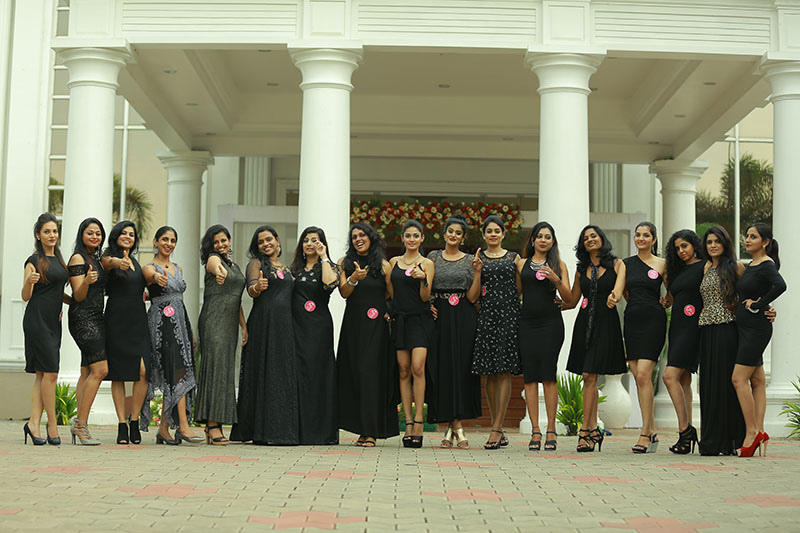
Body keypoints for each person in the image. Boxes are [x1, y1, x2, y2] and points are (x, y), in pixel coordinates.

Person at [230, 225, 299, 445]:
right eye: (261, 242)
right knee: (263, 373)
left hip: (285, 327)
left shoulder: (287, 268)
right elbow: (251, 288)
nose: (266, 244)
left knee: (281, 375)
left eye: (269, 239)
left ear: (277, 240)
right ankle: (259, 431)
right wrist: (257, 287)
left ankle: (280, 430)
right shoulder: (256, 264)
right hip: (264, 324)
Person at [564, 225, 626, 453]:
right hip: (584, 323)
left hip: (606, 323)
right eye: (586, 238)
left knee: (591, 374)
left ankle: (587, 430)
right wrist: (555, 286)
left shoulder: (618, 264)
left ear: (602, 239)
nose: (590, 239)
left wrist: (613, 297)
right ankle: (590, 430)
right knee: (588, 375)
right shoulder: (581, 269)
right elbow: (572, 300)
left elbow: (618, 292)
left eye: (594, 236)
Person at [337, 223, 399, 447]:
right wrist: (354, 277)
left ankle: (371, 432)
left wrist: (389, 313)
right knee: (355, 375)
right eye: (354, 236)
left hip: (376, 328)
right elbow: (344, 293)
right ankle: (360, 430)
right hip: (353, 327)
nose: (358, 239)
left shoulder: (383, 265)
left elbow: (393, 296)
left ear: (371, 238)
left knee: (370, 376)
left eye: (362, 235)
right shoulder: (344, 263)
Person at [143, 226, 202, 445]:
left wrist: (190, 333)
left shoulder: (178, 268)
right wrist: (157, 277)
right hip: (161, 323)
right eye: (165, 239)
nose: (169, 244)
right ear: (156, 241)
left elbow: (181, 299)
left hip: (180, 320)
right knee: (173, 369)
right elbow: (150, 276)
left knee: (178, 370)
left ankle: (164, 429)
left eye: (173, 240)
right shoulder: (149, 267)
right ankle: (183, 426)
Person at [426, 214, 481, 449]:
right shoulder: (432, 257)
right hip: (439, 315)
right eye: (451, 231)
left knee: (461, 368)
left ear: (463, 237)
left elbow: (472, 297)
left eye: (458, 233)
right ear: (444, 233)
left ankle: (454, 427)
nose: (454, 235)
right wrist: (428, 304)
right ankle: (455, 426)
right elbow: (426, 284)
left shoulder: (470, 260)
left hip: (464, 315)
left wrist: (478, 272)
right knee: (442, 368)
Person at [732, 223, 786, 457]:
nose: (747, 239)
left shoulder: (766, 264)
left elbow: (780, 285)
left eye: (753, 237)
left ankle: (752, 432)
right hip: (746, 327)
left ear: (765, 242)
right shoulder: (750, 265)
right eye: (747, 236)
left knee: (738, 379)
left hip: (756, 329)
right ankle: (760, 430)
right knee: (758, 380)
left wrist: (759, 304)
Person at [517, 221, 571, 452]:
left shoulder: (559, 264)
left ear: (552, 241)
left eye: (548, 237)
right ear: (532, 240)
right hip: (526, 323)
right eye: (539, 236)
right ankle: (535, 431)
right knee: (530, 377)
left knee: (548, 375)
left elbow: (568, 298)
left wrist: (555, 279)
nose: (543, 240)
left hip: (551, 324)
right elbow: (517, 293)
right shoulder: (522, 263)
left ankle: (551, 429)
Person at [471, 215, 521, 450]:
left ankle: (497, 428)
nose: (493, 234)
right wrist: (477, 271)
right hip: (486, 316)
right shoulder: (477, 259)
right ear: (483, 235)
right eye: (489, 231)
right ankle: (496, 425)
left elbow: (520, 288)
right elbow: (473, 295)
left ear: (503, 234)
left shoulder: (514, 258)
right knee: (489, 373)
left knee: (503, 371)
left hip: (508, 317)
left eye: (497, 231)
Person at [194, 225, 247, 446]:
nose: (220, 245)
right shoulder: (213, 260)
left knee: (225, 371)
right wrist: (219, 272)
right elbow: (214, 265)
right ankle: (212, 424)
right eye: (215, 242)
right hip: (213, 321)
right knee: (215, 369)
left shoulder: (235, 266)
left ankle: (216, 423)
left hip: (230, 323)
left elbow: (236, 299)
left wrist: (244, 326)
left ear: (229, 240)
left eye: (223, 240)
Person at [22, 213, 69, 446]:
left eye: (55, 231)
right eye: (47, 231)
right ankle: (52, 424)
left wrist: (77, 301)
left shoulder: (59, 260)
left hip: (54, 321)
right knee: (51, 373)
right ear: (38, 235)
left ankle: (33, 423)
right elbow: (25, 296)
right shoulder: (33, 260)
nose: (52, 235)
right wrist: (29, 281)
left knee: (43, 374)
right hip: (37, 320)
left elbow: (57, 292)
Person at [697, 225, 745, 456]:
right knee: (708, 385)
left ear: (725, 243)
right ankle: (711, 440)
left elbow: (751, 292)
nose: (713, 245)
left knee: (724, 383)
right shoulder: (706, 267)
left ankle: (730, 440)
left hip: (727, 329)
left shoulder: (736, 267)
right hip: (706, 329)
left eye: (717, 241)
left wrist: (765, 309)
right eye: (709, 242)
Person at [290, 226, 339, 445]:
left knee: (320, 374)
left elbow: (329, 284)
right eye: (306, 240)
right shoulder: (293, 269)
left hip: (319, 327)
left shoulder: (328, 266)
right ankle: (299, 430)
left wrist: (324, 256)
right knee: (299, 375)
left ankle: (322, 432)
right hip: (296, 326)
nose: (310, 244)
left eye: (314, 240)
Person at [388, 220, 435, 448]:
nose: (412, 239)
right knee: (404, 370)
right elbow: (391, 292)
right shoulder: (393, 262)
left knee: (418, 367)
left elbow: (426, 296)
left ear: (422, 238)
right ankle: (406, 422)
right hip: (400, 320)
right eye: (408, 235)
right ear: (402, 238)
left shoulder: (427, 263)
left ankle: (418, 422)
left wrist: (422, 278)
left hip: (420, 320)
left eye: (416, 235)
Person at [102, 221, 150, 445]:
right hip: (117, 319)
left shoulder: (136, 262)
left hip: (138, 319)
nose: (128, 237)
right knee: (119, 373)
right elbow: (107, 263)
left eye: (131, 234)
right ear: (116, 236)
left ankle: (134, 419)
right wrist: (116, 262)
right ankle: (121, 423)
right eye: (124, 233)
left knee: (143, 371)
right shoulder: (109, 257)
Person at [622, 222, 666, 454]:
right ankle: (651, 430)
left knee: (643, 374)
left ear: (653, 239)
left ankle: (645, 432)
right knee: (640, 379)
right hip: (632, 321)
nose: (641, 238)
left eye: (646, 235)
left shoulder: (662, 264)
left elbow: (673, 290)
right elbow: (624, 291)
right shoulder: (626, 264)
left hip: (653, 321)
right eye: (637, 235)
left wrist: (667, 302)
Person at [662, 229, 704, 454]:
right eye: (677, 248)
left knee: (669, 377)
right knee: (684, 380)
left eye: (684, 246)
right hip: (677, 327)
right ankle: (687, 435)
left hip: (693, 327)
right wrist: (666, 302)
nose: (681, 251)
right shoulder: (678, 270)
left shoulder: (705, 266)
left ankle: (685, 431)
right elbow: (673, 296)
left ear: (694, 245)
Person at [67, 218, 108, 445]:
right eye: (90, 233)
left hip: (98, 317)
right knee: (100, 370)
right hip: (82, 318)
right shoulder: (78, 258)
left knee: (86, 372)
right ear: (82, 235)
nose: (94, 237)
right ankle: (81, 425)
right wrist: (87, 281)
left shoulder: (97, 260)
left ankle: (78, 423)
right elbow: (78, 295)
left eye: (98, 233)